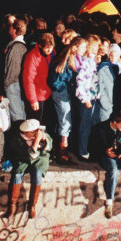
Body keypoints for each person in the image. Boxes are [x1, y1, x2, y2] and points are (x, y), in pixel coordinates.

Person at [88, 111, 121, 219]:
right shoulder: (100, 129)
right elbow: (92, 146)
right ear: (114, 123)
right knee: (113, 170)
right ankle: (109, 202)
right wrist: (105, 151)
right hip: (106, 156)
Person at [4, 118, 53, 218]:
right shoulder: (17, 139)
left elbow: (50, 146)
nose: (36, 133)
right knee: (17, 174)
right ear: (26, 133)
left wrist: (44, 140)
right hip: (23, 158)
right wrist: (35, 143)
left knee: (37, 175)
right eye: (33, 132)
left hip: (39, 160)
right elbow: (29, 156)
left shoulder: (42, 134)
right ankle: (12, 205)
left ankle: (32, 206)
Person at [47, 36, 85, 164]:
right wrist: (68, 86)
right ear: (75, 47)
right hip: (60, 92)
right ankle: (62, 150)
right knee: (65, 118)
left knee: (64, 119)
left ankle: (60, 149)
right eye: (83, 47)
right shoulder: (65, 59)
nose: (85, 49)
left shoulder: (73, 58)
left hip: (64, 91)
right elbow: (56, 81)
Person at [21, 32, 54, 122]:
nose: (49, 50)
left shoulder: (51, 53)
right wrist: (33, 100)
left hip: (47, 93)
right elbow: (28, 79)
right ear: (39, 46)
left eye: (51, 48)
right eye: (47, 48)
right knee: (35, 122)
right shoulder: (32, 57)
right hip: (37, 95)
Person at [3, 18, 28, 123]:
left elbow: (13, 69)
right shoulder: (17, 45)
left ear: (14, 29)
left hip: (13, 85)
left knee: (17, 116)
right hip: (16, 84)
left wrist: (6, 85)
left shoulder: (16, 48)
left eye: (11, 26)